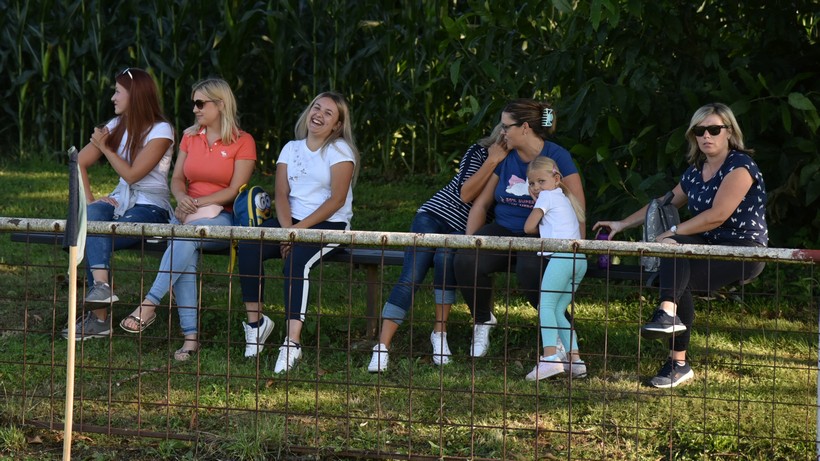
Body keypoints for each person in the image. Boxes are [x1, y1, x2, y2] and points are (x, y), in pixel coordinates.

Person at [593, 102, 767, 388]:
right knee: (677, 274)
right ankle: (678, 359)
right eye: (700, 130)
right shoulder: (696, 170)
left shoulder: (740, 165)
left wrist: (671, 232)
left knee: (674, 252)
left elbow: (718, 215)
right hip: (707, 245)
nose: (706, 135)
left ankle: (668, 319)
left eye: (714, 129)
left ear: (729, 132)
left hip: (743, 250)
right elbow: (662, 204)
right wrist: (622, 224)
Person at [119, 78, 256, 361]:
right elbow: (178, 179)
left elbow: (234, 189)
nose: (195, 109)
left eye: (200, 103)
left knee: (184, 236)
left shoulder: (243, 141)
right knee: (185, 246)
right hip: (187, 216)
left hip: (223, 217)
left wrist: (195, 204)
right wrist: (182, 198)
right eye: (194, 103)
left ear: (221, 104)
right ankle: (190, 339)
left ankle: (149, 304)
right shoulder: (190, 137)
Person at [367, 125, 507, 373]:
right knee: (411, 275)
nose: (507, 133)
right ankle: (381, 347)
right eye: (504, 127)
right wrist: (492, 160)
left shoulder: (516, 164)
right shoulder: (479, 151)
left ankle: (439, 333)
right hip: (433, 216)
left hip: (464, 229)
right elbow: (465, 193)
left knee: (444, 261)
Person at [237, 91, 359, 373]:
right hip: (289, 221)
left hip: (330, 225)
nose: (319, 115)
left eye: (328, 113)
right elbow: (281, 194)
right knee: (249, 244)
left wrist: (295, 233)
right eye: (316, 108)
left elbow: (336, 200)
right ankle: (256, 325)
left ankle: (292, 343)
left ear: (337, 125)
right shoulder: (291, 148)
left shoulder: (340, 151)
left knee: (296, 262)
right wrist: (286, 231)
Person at [454, 99, 586, 358]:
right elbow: (481, 204)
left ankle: (561, 333)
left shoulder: (557, 156)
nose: (501, 132)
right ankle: (482, 319)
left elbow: (577, 206)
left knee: (530, 271)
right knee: (466, 259)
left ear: (525, 127)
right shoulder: (506, 156)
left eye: (506, 127)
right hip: (504, 229)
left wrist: (576, 249)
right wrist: (470, 243)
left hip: (541, 235)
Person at [63, 67, 174, 341]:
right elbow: (79, 162)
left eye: (117, 92)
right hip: (121, 202)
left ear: (134, 95)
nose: (113, 98)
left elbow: (133, 175)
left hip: (151, 208)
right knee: (91, 217)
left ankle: (99, 320)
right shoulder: (115, 125)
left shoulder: (162, 130)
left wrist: (106, 148)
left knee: (93, 232)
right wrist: (91, 201)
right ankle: (101, 289)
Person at [522, 157, 587, 381]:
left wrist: (536, 202)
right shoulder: (563, 198)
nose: (536, 187)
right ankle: (575, 361)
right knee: (558, 310)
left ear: (556, 179)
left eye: (541, 181)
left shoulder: (547, 197)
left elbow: (528, 227)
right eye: (531, 183)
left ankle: (549, 358)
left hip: (562, 257)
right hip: (579, 260)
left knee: (546, 306)